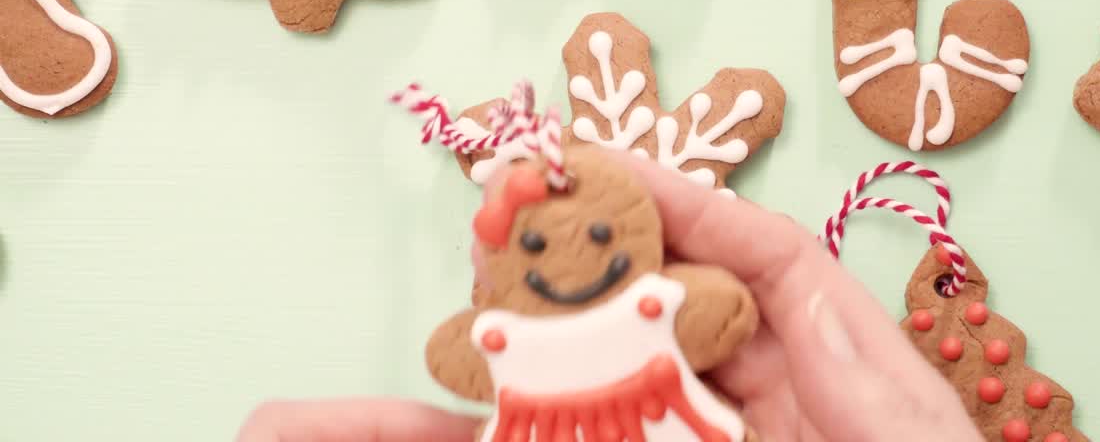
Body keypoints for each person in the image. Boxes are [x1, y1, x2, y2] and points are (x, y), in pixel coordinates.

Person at [236, 152, 982, 441]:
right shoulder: (499, 339)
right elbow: (456, 353)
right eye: (533, 245)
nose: (570, 257)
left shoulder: (664, 304)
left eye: (598, 234)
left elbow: (713, 311)